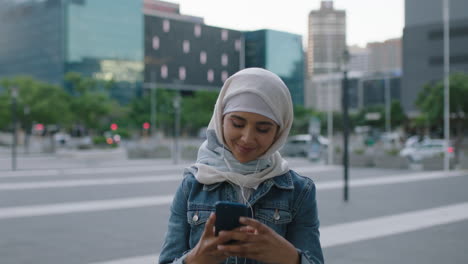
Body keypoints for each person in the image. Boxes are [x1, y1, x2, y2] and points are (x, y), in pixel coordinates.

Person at [159, 68, 324, 264]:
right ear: (220, 119)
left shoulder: (298, 191)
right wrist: (196, 259)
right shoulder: (193, 185)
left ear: (279, 131)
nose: (247, 138)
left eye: (263, 129)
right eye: (237, 124)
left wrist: (290, 257)